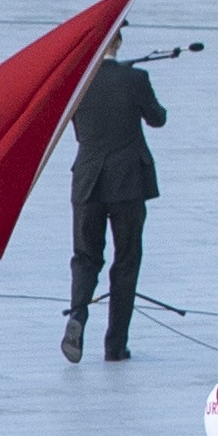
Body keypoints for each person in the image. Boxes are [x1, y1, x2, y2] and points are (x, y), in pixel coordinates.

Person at [64, 36, 167, 361]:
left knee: (85, 257)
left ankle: (78, 315)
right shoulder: (134, 78)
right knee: (126, 261)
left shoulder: (78, 81)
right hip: (127, 183)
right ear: (119, 42)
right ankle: (115, 344)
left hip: (88, 181)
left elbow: (76, 129)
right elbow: (157, 118)